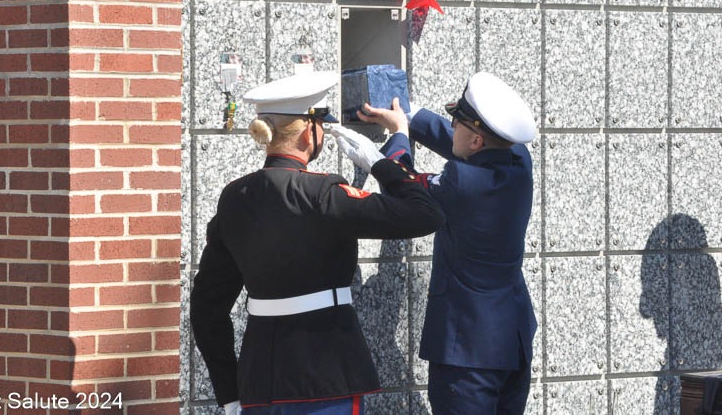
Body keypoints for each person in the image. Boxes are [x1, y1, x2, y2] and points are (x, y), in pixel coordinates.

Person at [190, 71, 445, 415]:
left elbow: (207, 307)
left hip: (259, 382)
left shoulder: (234, 197)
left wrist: (229, 393)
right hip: (328, 378)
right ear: (308, 131)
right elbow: (426, 214)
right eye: (321, 123)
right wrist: (380, 163)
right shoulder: (323, 193)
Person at [334, 71, 537, 414]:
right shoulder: (518, 159)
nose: (452, 125)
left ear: (477, 140)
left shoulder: (462, 183)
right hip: (510, 341)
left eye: (458, 121)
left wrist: (395, 140)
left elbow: (407, 187)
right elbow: (461, 140)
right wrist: (408, 113)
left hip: (469, 353)